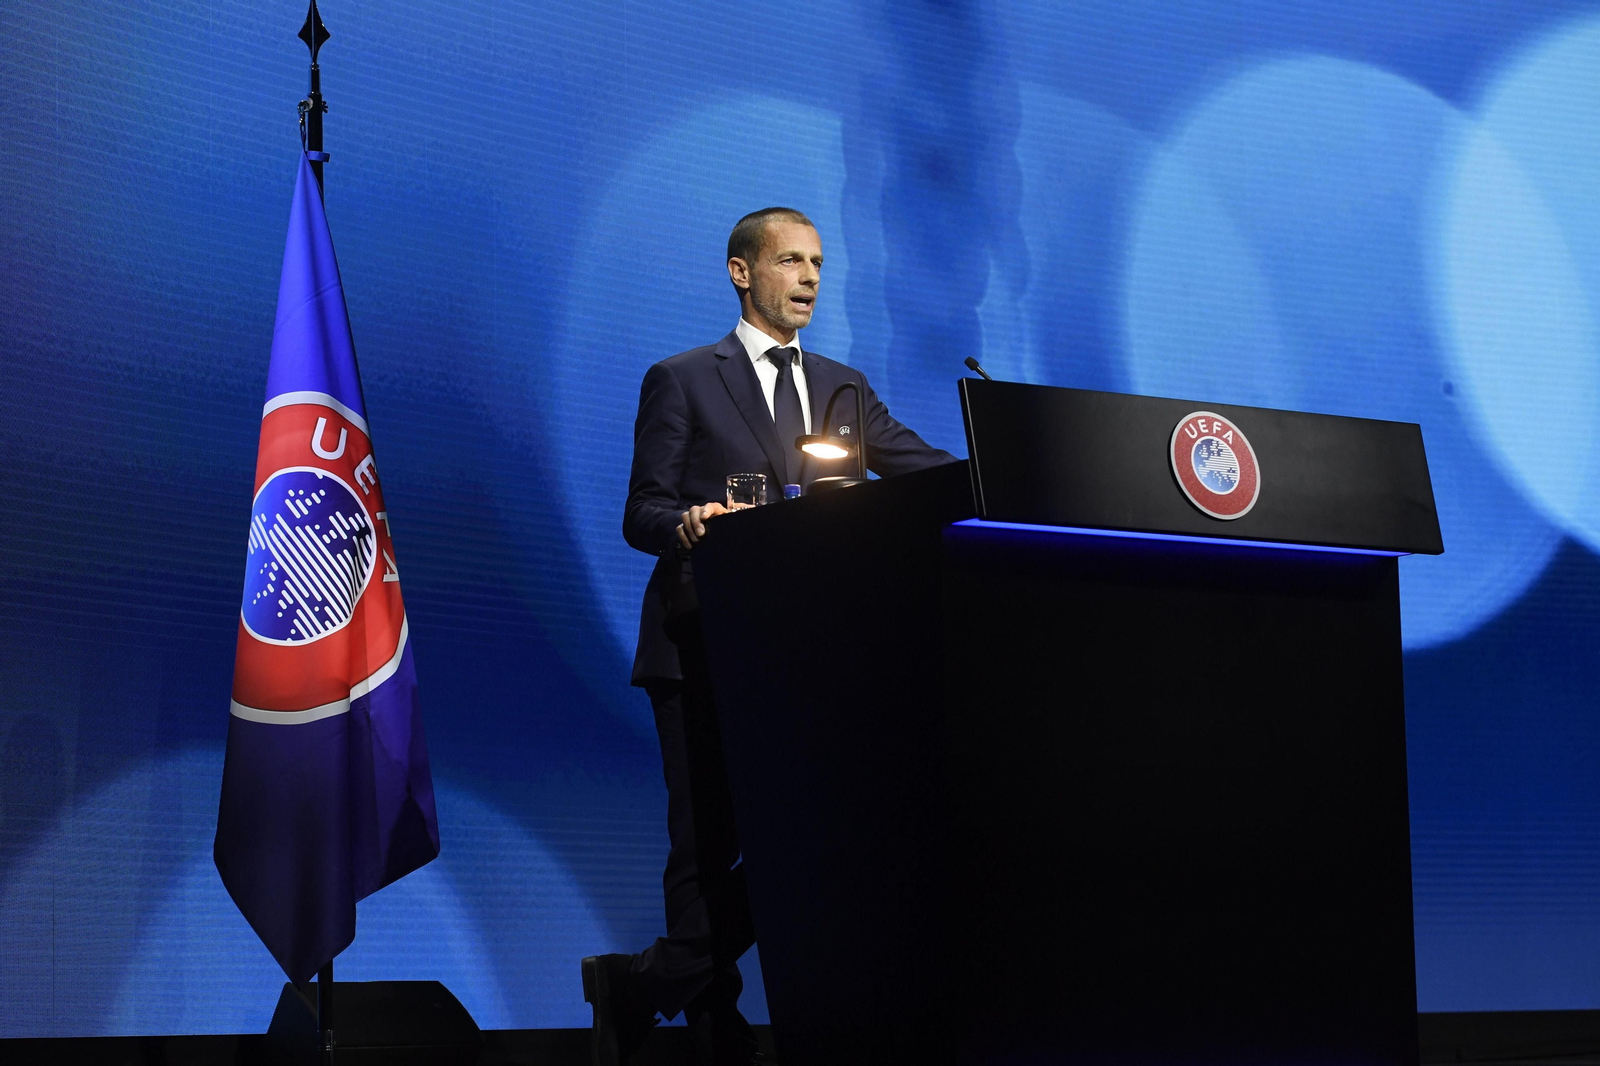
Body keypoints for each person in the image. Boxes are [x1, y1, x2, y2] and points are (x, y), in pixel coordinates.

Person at [581, 207, 954, 1066]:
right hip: (702, 638)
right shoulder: (682, 378)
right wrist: (691, 521)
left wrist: (1002, 464)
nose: (812, 278)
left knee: (822, 838)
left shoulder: (843, 386)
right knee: (707, 841)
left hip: (808, 651)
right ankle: (713, 1020)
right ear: (742, 273)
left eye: (819, 262)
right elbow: (642, 510)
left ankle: (643, 984)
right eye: (791, 261)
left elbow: (915, 468)